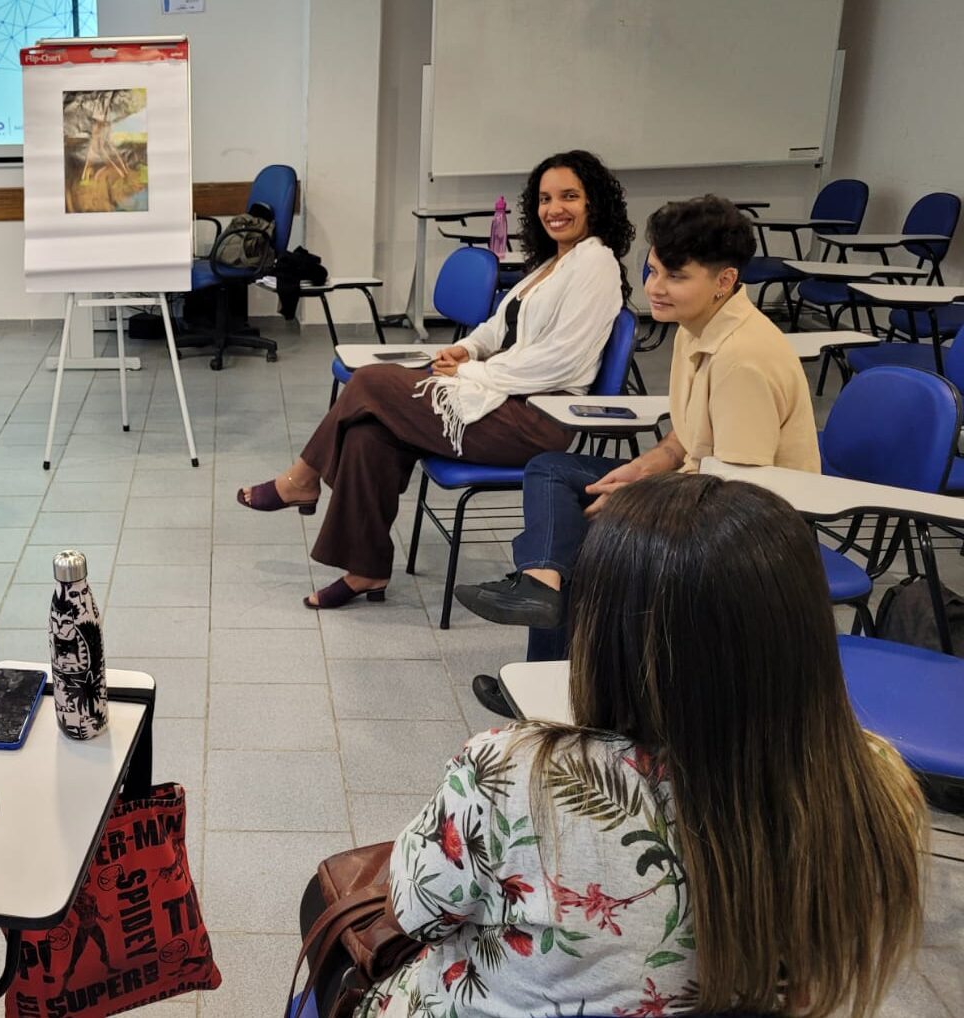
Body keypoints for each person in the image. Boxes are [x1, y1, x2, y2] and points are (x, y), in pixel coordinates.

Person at [327, 474, 926, 1018]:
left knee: (332, 932)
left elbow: (415, 911)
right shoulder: (872, 781)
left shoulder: (511, 771)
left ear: (609, 628)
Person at [457, 195, 820, 702]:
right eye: (651, 271)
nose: (655, 288)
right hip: (705, 489)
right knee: (553, 472)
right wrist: (642, 469)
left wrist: (640, 500)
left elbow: (740, 496)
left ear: (725, 281)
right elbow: (688, 439)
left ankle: (565, 687)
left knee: (591, 545)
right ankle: (542, 599)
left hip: (751, 533)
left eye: (675, 276)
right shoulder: (696, 328)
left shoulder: (743, 360)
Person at [236, 151, 632, 608]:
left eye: (569, 197)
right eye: (545, 198)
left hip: (538, 419)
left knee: (368, 384)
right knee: (369, 432)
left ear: (595, 203)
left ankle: (301, 479)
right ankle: (365, 571)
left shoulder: (596, 264)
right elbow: (498, 327)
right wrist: (467, 349)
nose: (554, 209)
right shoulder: (550, 264)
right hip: (502, 398)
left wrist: (471, 370)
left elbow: (559, 362)